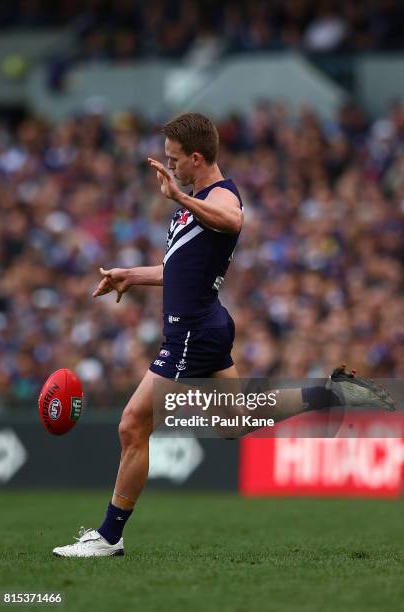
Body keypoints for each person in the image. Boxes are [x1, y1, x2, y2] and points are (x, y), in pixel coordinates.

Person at [52, 113, 395, 557]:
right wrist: (131, 275)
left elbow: (233, 221)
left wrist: (179, 196)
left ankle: (109, 536)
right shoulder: (195, 200)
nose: (171, 168)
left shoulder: (221, 196)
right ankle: (330, 393)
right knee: (234, 421)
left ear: (197, 158)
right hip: (205, 323)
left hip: (191, 330)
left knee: (133, 423)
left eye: (176, 161)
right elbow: (179, 269)